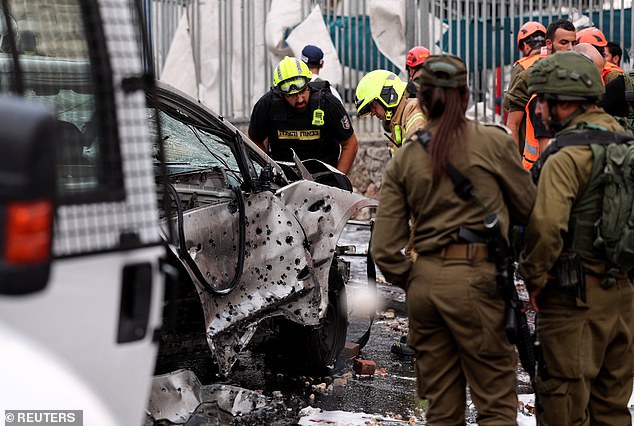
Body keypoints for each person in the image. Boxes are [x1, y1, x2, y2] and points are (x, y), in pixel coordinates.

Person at [371, 54, 536, 425]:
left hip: (426, 289)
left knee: (442, 412)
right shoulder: (494, 143)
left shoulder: (405, 158)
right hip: (480, 282)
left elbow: (383, 248)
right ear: (464, 96)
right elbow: (531, 212)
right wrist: (534, 274)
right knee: (495, 407)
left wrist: (416, 279)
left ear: (422, 99)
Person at [519, 50, 633, 425]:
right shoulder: (626, 142)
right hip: (625, 299)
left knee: (563, 408)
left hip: (574, 300)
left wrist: (535, 280)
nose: (540, 111)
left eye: (545, 101)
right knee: (613, 408)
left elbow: (547, 227)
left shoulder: (567, 155)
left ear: (564, 103)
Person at [248, 56, 358, 174]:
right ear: (281, 94)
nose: (299, 99)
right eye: (292, 95)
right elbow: (254, 140)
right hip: (284, 179)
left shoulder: (328, 103)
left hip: (324, 179)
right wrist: (269, 169)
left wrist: (339, 180)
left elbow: (350, 144)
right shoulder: (267, 105)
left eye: (302, 91)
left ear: (308, 84)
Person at [507, 19, 577, 169]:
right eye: (564, 43)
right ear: (549, 43)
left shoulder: (581, 74)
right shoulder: (528, 74)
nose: (570, 48)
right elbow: (513, 123)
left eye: (573, 43)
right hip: (538, 163)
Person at [354, 69, 425, 153]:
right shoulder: (397, 120)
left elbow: (419, 153)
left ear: (387, 95)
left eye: (373, 106)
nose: (372, 113)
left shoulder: (413, 110)